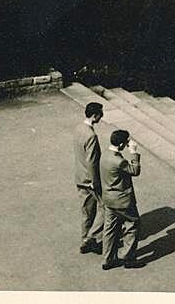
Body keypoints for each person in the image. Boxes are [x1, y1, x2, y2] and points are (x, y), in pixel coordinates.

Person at [100, 129, 144, 270]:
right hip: (123, 201)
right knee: (132, 225)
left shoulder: (104, 156)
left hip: (108, 199)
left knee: (110, 229)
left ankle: (108, 259)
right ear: (120, 145)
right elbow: (135, 171)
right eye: (125, 143)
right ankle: (128, 258)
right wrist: (133, 152)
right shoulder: (119, 161)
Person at [75, 102, 104, 255]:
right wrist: (95, 182)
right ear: (95, 116)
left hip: (79, 177)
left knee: (87, 211)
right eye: (100, 115)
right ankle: (91, 239)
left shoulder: (79, 128)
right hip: (90, 179)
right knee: (105, 207)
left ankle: (84, 239)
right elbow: (92, 161)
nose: (101, 118)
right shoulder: (91, 135)